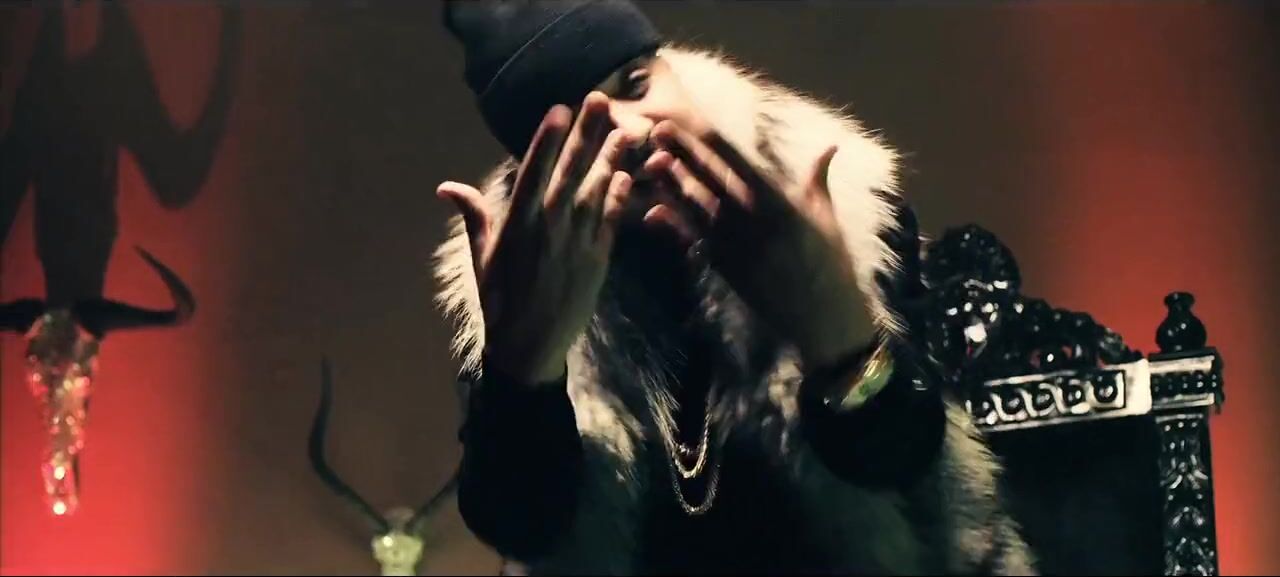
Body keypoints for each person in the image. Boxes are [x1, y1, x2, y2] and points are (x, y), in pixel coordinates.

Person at [432, 1, 1035, 574]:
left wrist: (837, 331)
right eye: (581, 131)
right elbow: (520, 527)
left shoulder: (833, 203)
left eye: (636, 84)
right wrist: (522, 374)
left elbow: (910, 467)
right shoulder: (515, 271)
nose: (630, 131)